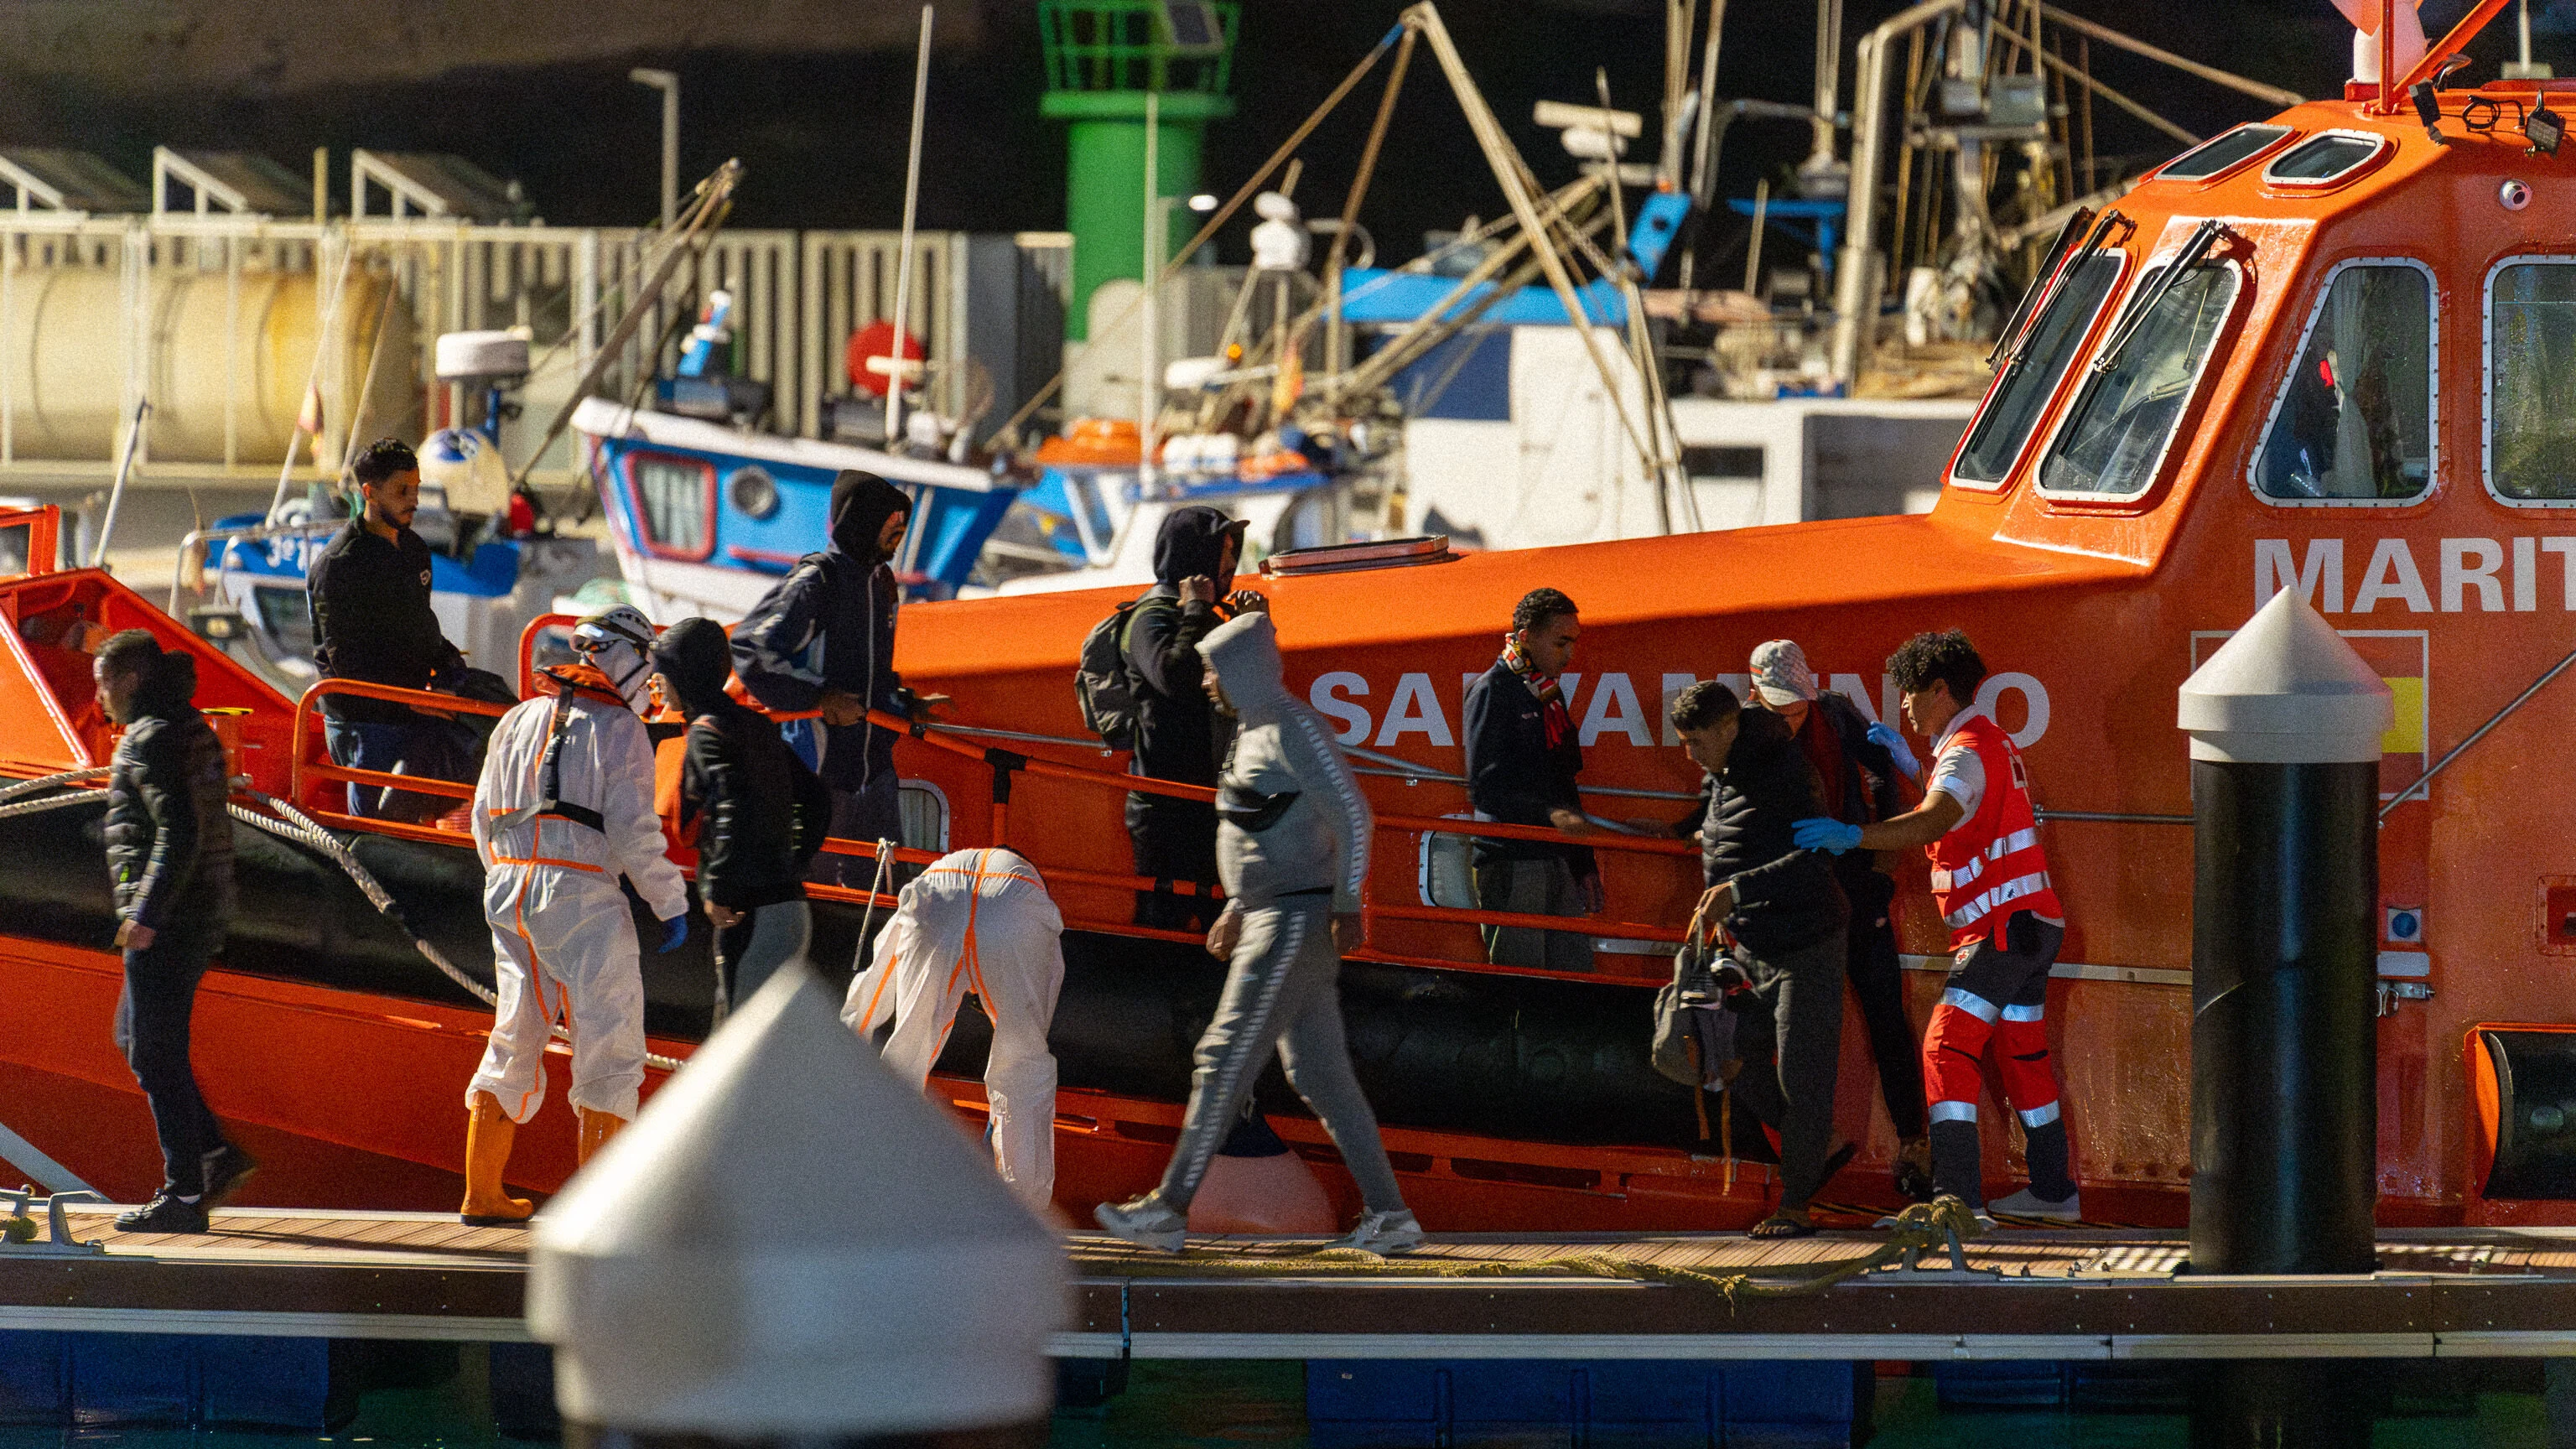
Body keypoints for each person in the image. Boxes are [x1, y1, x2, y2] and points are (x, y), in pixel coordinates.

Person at [1094, 611, 1422, 1254]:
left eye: (1215, 669)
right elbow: (1255, 830)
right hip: (1268, 914)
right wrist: (1238, 906)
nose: (1208, 682)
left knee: (1222, 1059)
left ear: (1242, 669)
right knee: (1321, 1077)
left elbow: (1354, 814)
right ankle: (1392, 1215)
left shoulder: (1295, 729)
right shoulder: (1251, 733)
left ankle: (1169, 1210)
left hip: (1293, 920)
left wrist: (1348, 901)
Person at [1794, 628, 2079, 1224]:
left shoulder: (1965, 752)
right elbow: (1966, 809)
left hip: (1999, 930)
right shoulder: (1991, 743)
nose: (1903, 704)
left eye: (1909, 692)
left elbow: (1937, 819)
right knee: (2023, 1055)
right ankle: (2054, 1193)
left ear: (1940, 690)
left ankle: (1957, 1202)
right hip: (2033, 925)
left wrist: (1854, 835)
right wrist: (1913, 768)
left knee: (1945, 1049)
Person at [460, 607, 691, 1224]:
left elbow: (483, 813)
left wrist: (506, 879)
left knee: (514, 1035)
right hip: (583, 894)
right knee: (611, 1047)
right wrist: (670, 903)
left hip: (508, 889)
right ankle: (599, 1212)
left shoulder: (515, 719)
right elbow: (635, 831)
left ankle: (481, 1193)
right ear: (628, 656)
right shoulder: (621, 731)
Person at [1745, 640, 1933, 1201]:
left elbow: (1880, 776)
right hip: (1790, 894)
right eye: (1780, 708)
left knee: (1884, 1012)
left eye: (1797, 705)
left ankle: (1914, 1142)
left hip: (1851, 881)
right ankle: (1812, 1143)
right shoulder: (1746, 730)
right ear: (1755, 694)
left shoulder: (1833, 710)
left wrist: (1878, 863)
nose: (1791, 717)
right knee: (1778, 1026)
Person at [1669, 680, 1853, 1239]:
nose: (1689, 755)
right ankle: (1817, 1144)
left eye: (1697, 742)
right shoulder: (1723, 773)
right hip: (1750, 945)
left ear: (1728, 728)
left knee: (1803, 1075)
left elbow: (1815, 859)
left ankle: (1796, 1206)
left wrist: (1736, 891)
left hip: (1807, 943)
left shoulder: (1786, 771)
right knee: (1728, 1055)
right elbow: (1723, 831)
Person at [95, 631, 257, 1233]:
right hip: (200, 911)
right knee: (135, 1039)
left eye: (103, 682)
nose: (99, 696)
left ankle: (183, 1196)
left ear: (130, 680)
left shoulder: (151, 738)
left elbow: (180, 830)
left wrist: (146, 913)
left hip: (171, 920)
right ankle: (214, 1154)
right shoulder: (185, 726)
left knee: (155, 1052)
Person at [732, 470, 941, 876]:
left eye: (903, 525)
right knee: (810, 889)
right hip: (817, 772)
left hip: (874, 773)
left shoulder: (881, 584)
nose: (900, 533)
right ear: (862, 521)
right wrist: (819, 699)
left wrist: (907, 705)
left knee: (883, 893)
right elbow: (751, 649)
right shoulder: (817, 580)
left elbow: (873, 676)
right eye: (892, 524)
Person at [841, 848, 1067, 1211]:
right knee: (1022, 1066)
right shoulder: (1030, 886)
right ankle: (1022, 1209)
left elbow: (883, 969)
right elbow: (1045, 990)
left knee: (906, 1055)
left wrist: (853, 1027)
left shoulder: (943, 867)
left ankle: (868, 1193)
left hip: (938, 897)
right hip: (1015, 904)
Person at [652, 617, 832, 1015]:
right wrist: (792, 862)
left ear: (684, 674)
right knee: (771, 1048)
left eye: (662, 670)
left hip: (750, 919)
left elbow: (731, 802)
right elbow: (817, 799)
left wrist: (716, 887)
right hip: (790, 912)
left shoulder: (706, 731)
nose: (656, 681)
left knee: (736, 1048)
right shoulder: (757, 726)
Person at [307, 437, 476, 821]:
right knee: (375, 826)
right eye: (402, 490)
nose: (413, 500)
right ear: (369, 492)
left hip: (414, 706)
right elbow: (343, 659)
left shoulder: (414, 549)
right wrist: (407, 699)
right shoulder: (340, 564)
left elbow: (420, 624)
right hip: (364, 717)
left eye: (415, 488)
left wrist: (449, 670)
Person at [1122, 506, 1256, 931]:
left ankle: (1203, 992)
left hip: (1201, 797)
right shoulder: (1151, 617)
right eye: (1224, 550)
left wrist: (1250, 624)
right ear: (1196, 558)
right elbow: (1175, 677)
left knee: (1215, 909)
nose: (1232, 563)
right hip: (1163, 807)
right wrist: (1197, 612)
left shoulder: (1202, 614)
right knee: (1166, 921)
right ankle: (1162, 995)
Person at [1462, 588, 1598, 973]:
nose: (1570, 653)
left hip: (1554, 856)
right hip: (1511, 859)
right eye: (1561, 641)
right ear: (1526, 637)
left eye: (1573, 641)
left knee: (1573, 975)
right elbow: (1485, 788)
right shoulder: (1492, 690)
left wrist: (1584, 863)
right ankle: (1515, 1037)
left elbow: (1564, 780)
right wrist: (1552, 815)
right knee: (1522, 979)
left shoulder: (1547, 694)